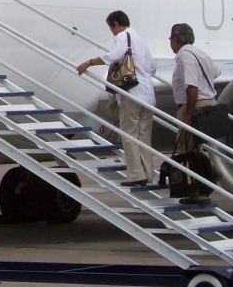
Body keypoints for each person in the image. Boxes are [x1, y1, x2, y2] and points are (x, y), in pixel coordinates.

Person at [76, 11, 158, 187]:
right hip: (148, 94)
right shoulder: (141, 40)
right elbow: (153, 67)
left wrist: (89, 63)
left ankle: (136, 175)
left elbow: (112, 57)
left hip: (132, 93)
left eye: (111, 28)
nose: (112, 32)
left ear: (115, 24)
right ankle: (148, 174)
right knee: (144, 136)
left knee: (129, 134)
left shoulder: (123, 36)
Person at [169, 22, 221, 204]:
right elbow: (216, 72)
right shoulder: (200, 53)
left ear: (176, 40)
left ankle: (198, 190)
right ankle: (209, 175)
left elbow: (192, 87)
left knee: (188, 149)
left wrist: (188, 114)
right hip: (209, 103)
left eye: (171, 39)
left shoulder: (184, 56)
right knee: (199, 148)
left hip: (195, 105)